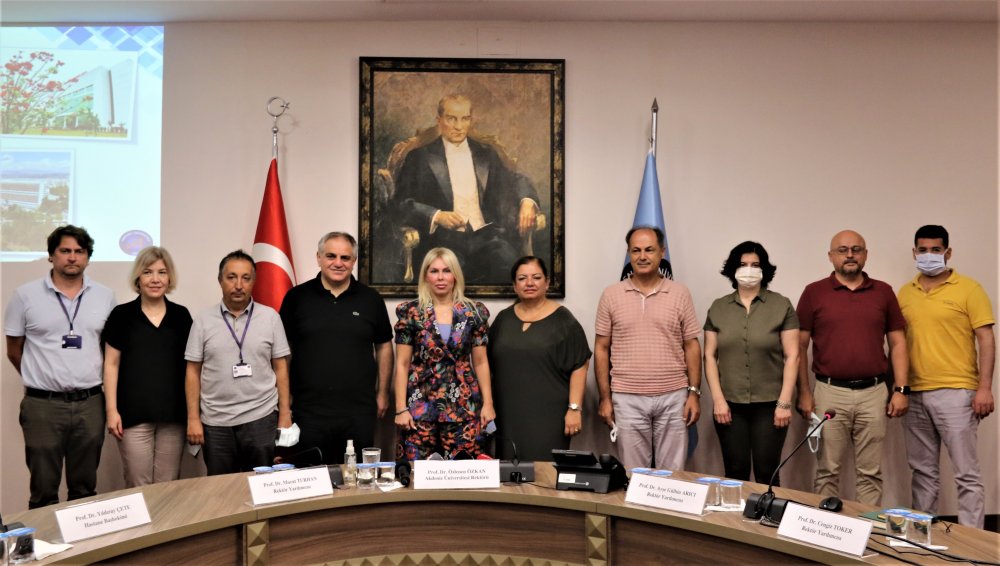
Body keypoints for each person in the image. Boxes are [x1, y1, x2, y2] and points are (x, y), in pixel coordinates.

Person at [4, 225, 117, 508]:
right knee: (43, 489)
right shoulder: (25, 296)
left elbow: (108, 349)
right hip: (43, 406)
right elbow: (14, 351)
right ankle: (46, 537)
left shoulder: (105, 296)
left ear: (88, 257)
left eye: (79, 251)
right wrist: (42, 377)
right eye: (65, 251)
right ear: (51, 255)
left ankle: (82, 538)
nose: (72, 257)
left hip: (90, 403)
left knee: (84, 489)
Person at [796, 230, 909, 506]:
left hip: (874, 393)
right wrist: (804, 392)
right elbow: (798, 347)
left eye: (856, 249)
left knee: (870, 472)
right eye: (843, 250)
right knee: (827, 470)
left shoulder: (883, 292)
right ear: (830, 256)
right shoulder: (813, 293)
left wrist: (901, 389)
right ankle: (825, 527)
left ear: (865, 255)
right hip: (829, 393)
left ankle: (867, 527)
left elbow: (898, 344)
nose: (850, 255)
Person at [897, 225, 995, 528]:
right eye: (923, 250)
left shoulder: (969, 289)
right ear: (914, 252)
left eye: (936, 250)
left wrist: (984, 388)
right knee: (922, 472)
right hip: (914, 394)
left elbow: (986, 340)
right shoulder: (905, 293)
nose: (929, 255)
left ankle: (972, 543)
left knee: (966, 474)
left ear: (948, 253)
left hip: (957, 392)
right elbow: (898, 344)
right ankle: (921, 536)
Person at [393, 94, 541, 283]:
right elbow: (400, 204)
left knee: (510, 266)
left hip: (488, 237)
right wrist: (437, 216)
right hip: (443, 241)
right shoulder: (419, 157)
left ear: (471, 120)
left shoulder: (486, 153)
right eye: (451, 118)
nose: (459, 126)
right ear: (439, 120)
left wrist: (527, 202)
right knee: (447, 276)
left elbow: (515, 179)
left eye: (465, 119)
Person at [280, 232, 393, 464]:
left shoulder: (371, 299)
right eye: (331, 256)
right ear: (318, 258)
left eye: (345, 257)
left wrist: (382, 393)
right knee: (310, 477)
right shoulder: (296, 298)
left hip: (359, 411)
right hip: (308, 411)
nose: (338, 263)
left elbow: (384, 347)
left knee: (357, 477)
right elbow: (283, 352)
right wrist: (285, 396)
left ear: (354, 261)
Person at [594, 226, 702, 471]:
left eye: (649, 250)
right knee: (633, 475)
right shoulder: (611, 295)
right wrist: (605, 398)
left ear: (662, 252)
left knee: (672, 475)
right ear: (629, 254)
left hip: (674, 396)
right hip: (627, 397)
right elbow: (601, 348)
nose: (642, 256)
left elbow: (691, 345)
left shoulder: (680, 293)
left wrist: (694, 394)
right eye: (636, 250)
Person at [185, 250, 292, 475]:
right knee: (222, 489)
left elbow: (281, 368)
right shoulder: (203, 320)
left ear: (254, 281)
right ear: (220, 280)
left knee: (263, 485)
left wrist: (284, 413)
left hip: (261, 417)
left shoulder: (270, 317)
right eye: (231, 277)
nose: (238, 285)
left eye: (246, 278)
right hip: (216, 422)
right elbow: (192, 371)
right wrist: (193, 418)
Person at [703, 241, 799, 484]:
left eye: (755, 265)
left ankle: (768, 510)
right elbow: (709, 356)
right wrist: (718, 400)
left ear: (764, 270)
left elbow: (793, 356)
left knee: (767, 472)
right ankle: (735, 511)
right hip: (729, 405)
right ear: (733, 269)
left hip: (770, 405)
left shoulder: (781, 305)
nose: (749, 270)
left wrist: (784, 402)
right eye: (743, 264)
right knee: (735, 471)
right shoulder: (718, 307)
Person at [393, 247, 495, 460]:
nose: (440, 277)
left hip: (463, 405)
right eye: (434, 271)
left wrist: (488, 404)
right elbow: (402, 364)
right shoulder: (411, 312)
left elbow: (481, 362)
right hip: (419, 406)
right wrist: (400, 408)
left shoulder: (473, 312)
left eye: (447, 271)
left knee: (464, 472)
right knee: (415, 473)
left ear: (455, 275)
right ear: (425, 276)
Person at [103, 246, 192, 487]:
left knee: (168, 485)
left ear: (169, 277)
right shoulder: (121, 315)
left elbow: (192, 369)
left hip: (173, 417)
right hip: (132, 416)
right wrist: (111, 410)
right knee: (137, 484)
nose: (155, 279)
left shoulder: (182, 316)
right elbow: (111, 364)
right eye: (147, 272)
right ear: (138, 277)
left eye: (162, 272)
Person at [488, 256, 591, 461]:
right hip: (507, 415)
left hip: (549, 416)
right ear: (514, 285)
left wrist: (574, 409)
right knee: (509, 471)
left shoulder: (564, 321)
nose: (529, 283)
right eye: (522, 278)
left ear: (547, 283)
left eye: (536, 277)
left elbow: (580, 365)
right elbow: (486, 363)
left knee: (544, 472)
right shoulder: (503, 319)